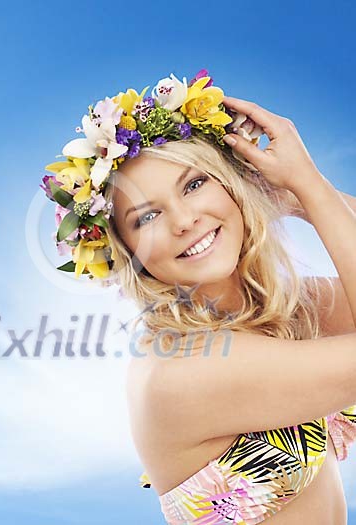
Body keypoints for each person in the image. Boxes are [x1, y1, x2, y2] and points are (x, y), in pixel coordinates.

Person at [40, 69, 356, 524]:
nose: (184, 220)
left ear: (232, 183)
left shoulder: (281, 311)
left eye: (193, 184)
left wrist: (299, 195)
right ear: (130, 253)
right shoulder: (185, 368)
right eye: (147, 217)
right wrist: (307, 184)